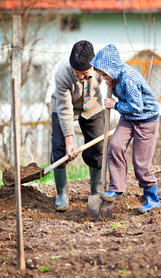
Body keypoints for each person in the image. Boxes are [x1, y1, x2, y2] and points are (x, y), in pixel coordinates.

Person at [90, 44, 160, 213]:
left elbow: (137, 107)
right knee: (115, 146)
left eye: (105, 75)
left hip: (146, 119)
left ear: (112, 69)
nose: (105, 79)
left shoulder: (128, 79)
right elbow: (130, 110)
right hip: (128, 118)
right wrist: (111, 87)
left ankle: (152, 198)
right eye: (102, 75)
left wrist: (115, 105)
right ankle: (116, 188)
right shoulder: (114, 78)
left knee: (140, 162)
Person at [51, 40, 104, 211]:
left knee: (98, 145)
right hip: (65, 107)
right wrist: (69, 141)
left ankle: (96, 192)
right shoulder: (62, 74)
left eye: (84, 73)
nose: (80, 77)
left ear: (93, 66)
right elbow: (65, 109)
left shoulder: (100, 69)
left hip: (93, 105)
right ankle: (62, 194)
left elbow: (112, 82)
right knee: (59, 147)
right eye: (76, 72)